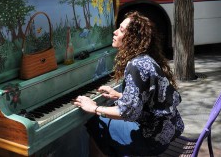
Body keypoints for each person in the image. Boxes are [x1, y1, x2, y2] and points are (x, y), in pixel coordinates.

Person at [73, 11, 184, 156]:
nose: (115, 32)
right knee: (106, 119)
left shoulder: (135, 65)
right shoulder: (146, 58)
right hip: (168, 130)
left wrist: (94, 108)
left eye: (121, 30)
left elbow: (127, 113)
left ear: (132, 39)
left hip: (153, 140)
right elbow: (148, 98)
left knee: (94, 121)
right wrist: (120, 95)